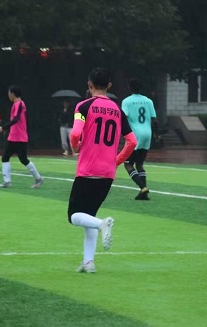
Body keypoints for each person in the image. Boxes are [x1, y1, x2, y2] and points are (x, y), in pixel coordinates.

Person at [68, 67, 137, 273]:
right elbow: (132, 141)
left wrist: (75, 147)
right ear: (109, 86)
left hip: (88, 169)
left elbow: (75, 134)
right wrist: (115, 161)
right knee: (88, 214)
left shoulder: (83, 106)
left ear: (89, 85)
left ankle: (101, 224)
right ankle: (88, 262)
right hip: (107, 173)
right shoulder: (118, 110)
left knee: (74, 215)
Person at [0, 85, 44, 188]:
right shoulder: (17, 104)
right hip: (14, 137)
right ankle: (7, 181)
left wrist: (3, 128)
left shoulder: (19, 104)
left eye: (9, 93)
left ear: (12, 94)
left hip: (19, 138)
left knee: (23, 159)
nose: (8, 95)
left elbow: (16, 119)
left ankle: (38, 178)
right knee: (6, 157)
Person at [121, 77, 160, 200]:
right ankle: (144, 194)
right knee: (139, 164)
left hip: (135, 135)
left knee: (128, 164)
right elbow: (155, 120)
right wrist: (157, 134)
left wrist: (122, 132)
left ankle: (143, 187)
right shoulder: (148, 101)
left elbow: (123, 118)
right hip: (147, 134)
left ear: (130, 87)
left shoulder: (127, 101)